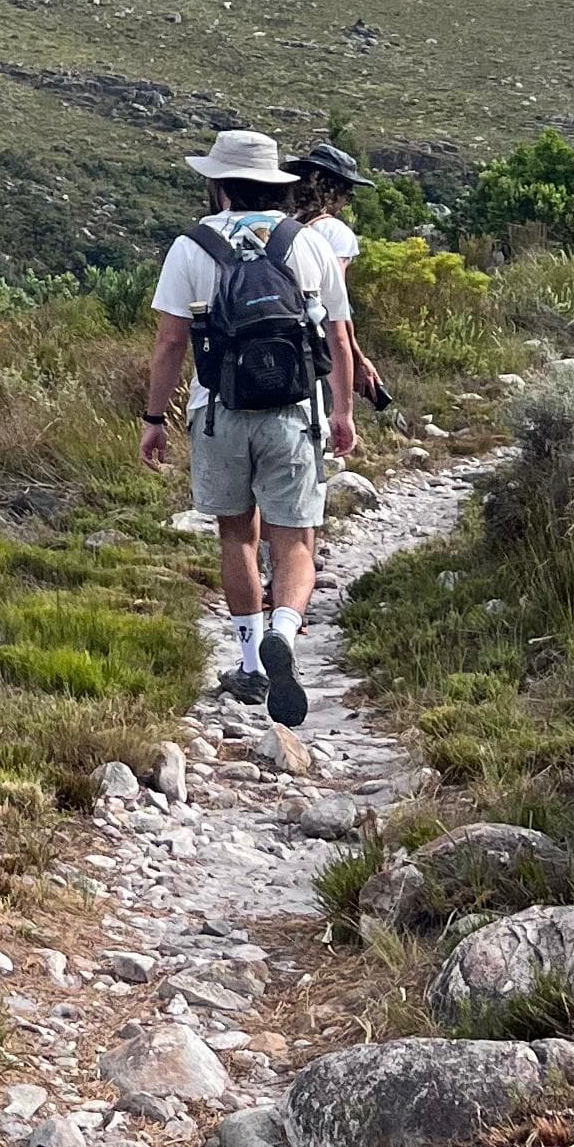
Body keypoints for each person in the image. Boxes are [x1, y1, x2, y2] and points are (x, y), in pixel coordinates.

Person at [137, 126, 359, 725]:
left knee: (236, 532)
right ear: (275, 184)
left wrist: (155, 419)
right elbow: (337, 337)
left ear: (219, 185)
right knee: (296, 537)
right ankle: (284, 628)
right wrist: (342, 411)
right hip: (296, 410)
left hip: (218, 410)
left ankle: (252, 662)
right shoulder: (309, 243)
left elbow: (170, 342)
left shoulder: (191, 246)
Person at [291, 140, 395, 434]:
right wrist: (357, 360)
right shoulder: (335, 232)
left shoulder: (282, 224)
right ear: (332, 190)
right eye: (347, 192)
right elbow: (332, 306)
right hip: (316, 349)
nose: (348, 200)